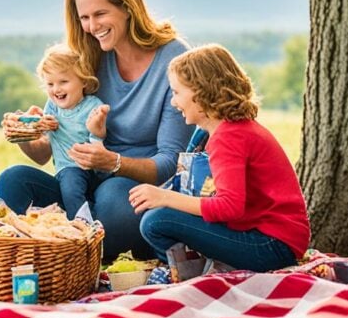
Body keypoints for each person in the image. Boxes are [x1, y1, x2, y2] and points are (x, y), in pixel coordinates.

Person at [0, 0, 193, 259]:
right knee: (12, 180)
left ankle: (69, 255)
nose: (91, 26)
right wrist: (27, 133)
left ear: (128, 8)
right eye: (84, 18)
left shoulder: (173, 59)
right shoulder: (90, 56)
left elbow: (170, 161)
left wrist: (113, 162)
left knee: (113, 199)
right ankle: (56, 250)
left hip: (137, 190)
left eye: (100, 14)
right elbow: (45, 154)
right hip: (80, 184)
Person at [130, 44, 310, 272]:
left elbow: (229, 207)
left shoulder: (229, 137)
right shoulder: (217, 132)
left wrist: (165, 198)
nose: (173, 102)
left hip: (272, 245)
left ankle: (190, 273)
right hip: (266, 236)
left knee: (156, 221)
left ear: (200, 93)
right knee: (157, 215)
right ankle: (202, 267)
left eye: (176, 93)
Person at [16, 44, 110, 220]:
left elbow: (98, 138)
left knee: (91, 192)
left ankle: (89, 228)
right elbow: (44, 141)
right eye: (50, 84)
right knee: (71, 190)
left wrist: (97, 131)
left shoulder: (93, 105)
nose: (56, 89)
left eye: (63, 82)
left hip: (96, 168)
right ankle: (82, 226)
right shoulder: (52, 107)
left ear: (83, 81)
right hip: (69, 167)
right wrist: (36, 125)